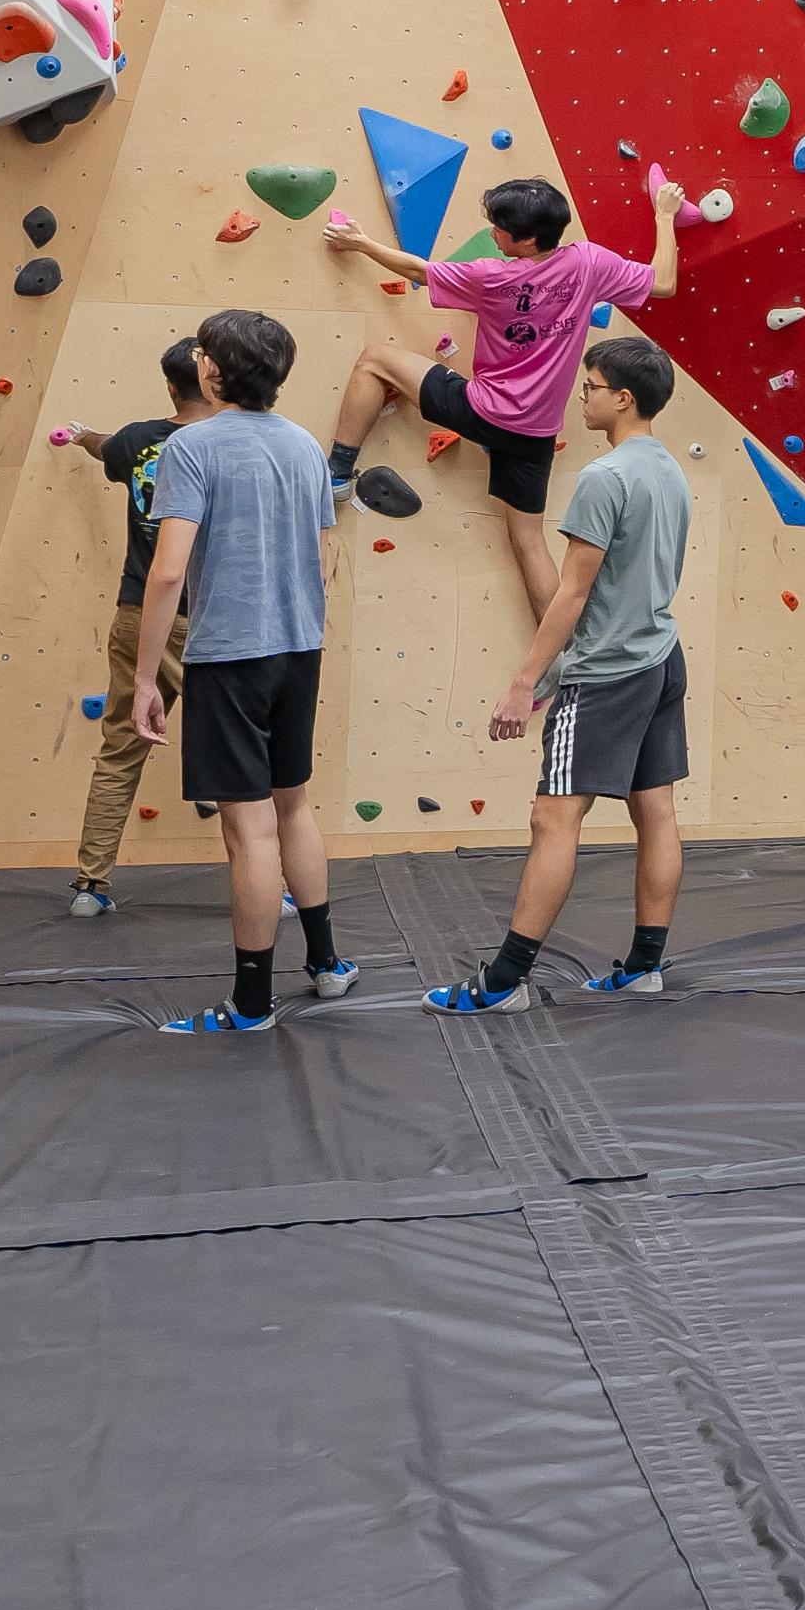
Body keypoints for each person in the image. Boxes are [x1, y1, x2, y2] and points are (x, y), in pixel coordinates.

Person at [431, 333, 694, 1010]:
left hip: (607, 673)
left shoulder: (605, 478)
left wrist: (524, 683)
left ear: (623, 398)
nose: (583, 395)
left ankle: (502, 984)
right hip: (662, 660)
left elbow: (573, 592)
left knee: (554, 819)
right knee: (657, 812)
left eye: (591, 386)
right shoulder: (668, 469)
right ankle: (644, 966)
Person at [320, 165, 683, 623]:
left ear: (527, 241)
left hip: (483, 410)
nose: (492, 234)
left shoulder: (491, 277)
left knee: (375, 359)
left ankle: (336, 473)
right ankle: (565, 662)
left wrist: (359, 242)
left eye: (501, 228)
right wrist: (665, 215)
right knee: (529, 542)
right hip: (536, 435)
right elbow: (663, 283)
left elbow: (418, 270)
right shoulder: (591, 263)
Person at [135, 308, 354, 1037]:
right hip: (299, 650)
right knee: (293, 807)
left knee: (250, 833)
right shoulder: (303, 447)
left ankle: (253, 1005)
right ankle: (326, 966)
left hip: (232, 656)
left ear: (212, 370)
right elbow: (326, 554)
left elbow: (167, 574)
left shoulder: (191, 448)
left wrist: (144, 680)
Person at [57, 341, 201, 923]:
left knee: (120, 747)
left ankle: (91, 885)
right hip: (213, 621)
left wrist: (86, 432)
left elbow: (100, 446)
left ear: (171, 387)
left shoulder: (138, 440)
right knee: (249, 754)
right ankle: (284, 884)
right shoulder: (229, 445)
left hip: (141, 614)